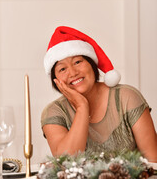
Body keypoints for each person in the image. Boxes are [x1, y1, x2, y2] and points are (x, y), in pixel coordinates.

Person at [41, 26, 157, 162]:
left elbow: (153, 162)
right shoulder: (54, 112)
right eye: (62, 69)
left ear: (92, 64)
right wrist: (82, 107)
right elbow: (67, 161)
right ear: (56, 80)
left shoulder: (127, 97)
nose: (72, 73)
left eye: (78, 62)